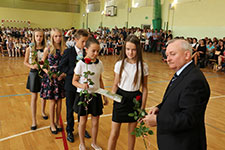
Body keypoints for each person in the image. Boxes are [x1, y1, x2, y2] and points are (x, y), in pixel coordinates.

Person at [143, 39, 210, 150]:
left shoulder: (194, 80)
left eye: (172, 54)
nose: (168, 59)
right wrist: (159, 108)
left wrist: (158, 120)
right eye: (167, 55)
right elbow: (177, 100)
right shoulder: (183, 73)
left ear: (187, 55)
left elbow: (188, 118)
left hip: (183, 144)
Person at [108, 34, 149, 150]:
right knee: (114, 132)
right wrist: (112, 96)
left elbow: (145, 88)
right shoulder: (119, 64)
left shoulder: (143, 66)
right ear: (124, 49)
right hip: (121, 97)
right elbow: (115, 84)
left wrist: (142, 107)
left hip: (135, 99)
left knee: (132, 133)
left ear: (138, 50)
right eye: (128, 49)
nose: (130, 52)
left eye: (133, 50)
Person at [72, 37, 108, 150]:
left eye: (98, 51)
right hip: (83, 95)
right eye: (93, 51)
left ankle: (94, 142)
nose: (96, 53)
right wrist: (82, 86)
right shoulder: (81, 64)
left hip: (96, 95)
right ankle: (82, 143)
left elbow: (100, 80)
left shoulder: (99, 63)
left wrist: (104, 96)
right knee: (82, 121)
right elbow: (74, 81)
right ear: (86, 49)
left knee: (95, 122)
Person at [58, 29, 90, 142]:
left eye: (87, 41)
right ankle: (70, 130)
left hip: (83, 86)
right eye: (83, 41)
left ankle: (81, 128)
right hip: (71, 85)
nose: (85, 44)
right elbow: (61, 66)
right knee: (70, 108)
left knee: (82, 109)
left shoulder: (87, 52)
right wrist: (75, 70)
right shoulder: (68, 52)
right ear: (76, 40)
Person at [40, 28, 66, 134]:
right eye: (56, 36)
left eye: (59, 36)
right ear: (52, 37)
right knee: (52, 102)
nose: (58, 38)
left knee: (59, 101)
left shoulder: (65, 49)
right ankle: (51, 123)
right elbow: (41, 63)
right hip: (50, 78)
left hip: (60, 78)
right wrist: (48, 73)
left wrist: (63, 74)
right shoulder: (48, 49)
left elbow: (67, 64)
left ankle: (57, 121)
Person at [24, 29, 48, 130]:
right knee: (34, 97)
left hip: (43, 73)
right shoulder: (29, 48)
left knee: (43, 95)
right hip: (34, 74)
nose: (39, 38)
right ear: (34, 36)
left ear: (43, 37)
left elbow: (46, 62)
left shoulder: (46, 48)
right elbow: (25, 62)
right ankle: (34, 120)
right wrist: (31, 66)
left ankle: (42, 111)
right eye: (37, 36)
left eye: (41, 36)